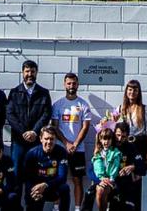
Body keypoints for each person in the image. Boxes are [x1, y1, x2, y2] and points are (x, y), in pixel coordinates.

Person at [52, 73, 92, 208]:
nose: (71, 86)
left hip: (78, 149)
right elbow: (55, 127)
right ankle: (56, 207)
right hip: (60, 148)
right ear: (64, 85)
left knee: (77, 179)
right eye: (69, 83)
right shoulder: (58, 104)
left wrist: (75, 144)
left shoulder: (83, 104)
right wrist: (66, 143)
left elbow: (85, 127)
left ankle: (77, 208)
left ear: (78, 85)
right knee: (57, 179)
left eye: (74, 83)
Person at [9, 61, 52, 178]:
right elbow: (10, 115)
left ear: (36, 73)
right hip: (18, 141)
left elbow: (46, 114)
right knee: (16, 173)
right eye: (27, 71)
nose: (30, 74)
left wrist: (34, 132)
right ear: (22, 73)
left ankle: (32, 197)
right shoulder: (14, 92)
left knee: (35, 174)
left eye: (32, 71)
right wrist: (24, 132)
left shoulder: (44, 93)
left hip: (36, 140)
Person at [23, 128, 70, 211]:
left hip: (52, 187)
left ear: (55, 140)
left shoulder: (62, 152)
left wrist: (45, 185)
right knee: (32, 198)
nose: (49, 142)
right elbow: (27, 178)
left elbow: (62, 177)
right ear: (41, 139)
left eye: (52, 139)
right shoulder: (32, 153)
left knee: (65, 188)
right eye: (46, 139)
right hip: (36, 188)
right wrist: (35, 191)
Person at [89, 126, 122, 211]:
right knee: (100, 189)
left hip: (112, 181)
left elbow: (115, 168)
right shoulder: (97, 154)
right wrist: (101, 179)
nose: (106, 142)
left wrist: (109, 179)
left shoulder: (116, 152)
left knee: (101, 190)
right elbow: (93, 170)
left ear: (112, 140)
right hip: (100, 181)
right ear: (100, 140)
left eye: (108, 139)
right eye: (104, 139)